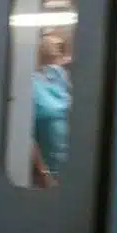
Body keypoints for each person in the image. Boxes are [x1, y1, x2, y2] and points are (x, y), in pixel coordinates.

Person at [31, 32, 72, 187]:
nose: (56, 43)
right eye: (48, 40)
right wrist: (43, 172)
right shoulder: (32, 83)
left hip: (73, 167)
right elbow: (27, 135)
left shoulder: (59, 75)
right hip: (47, 170)